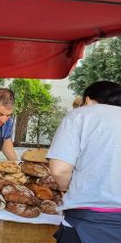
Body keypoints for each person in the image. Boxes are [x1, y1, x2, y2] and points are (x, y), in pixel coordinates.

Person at [47, 81, 121, 243]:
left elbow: (59, 170)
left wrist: (65, 188)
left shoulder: (81, 114)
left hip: (86, 221)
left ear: (87, 100)